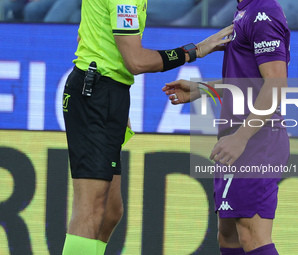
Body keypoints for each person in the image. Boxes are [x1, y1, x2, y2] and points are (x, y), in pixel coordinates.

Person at [61, 0, 234, 254]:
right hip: (95, 94)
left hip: (108, 93)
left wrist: (115, 101)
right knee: (91, 207)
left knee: (110, 210)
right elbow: (136, 61)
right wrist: (195, 50)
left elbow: (84, 36)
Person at [163, 0, 290, 254]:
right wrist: (202, 89)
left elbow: (275, 83)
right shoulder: (244, 10)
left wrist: (241, 137)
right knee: (228, 236)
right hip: (236, 139)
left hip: (256, 140)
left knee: (252, 235)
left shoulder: (263, 11)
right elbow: (247, 81)